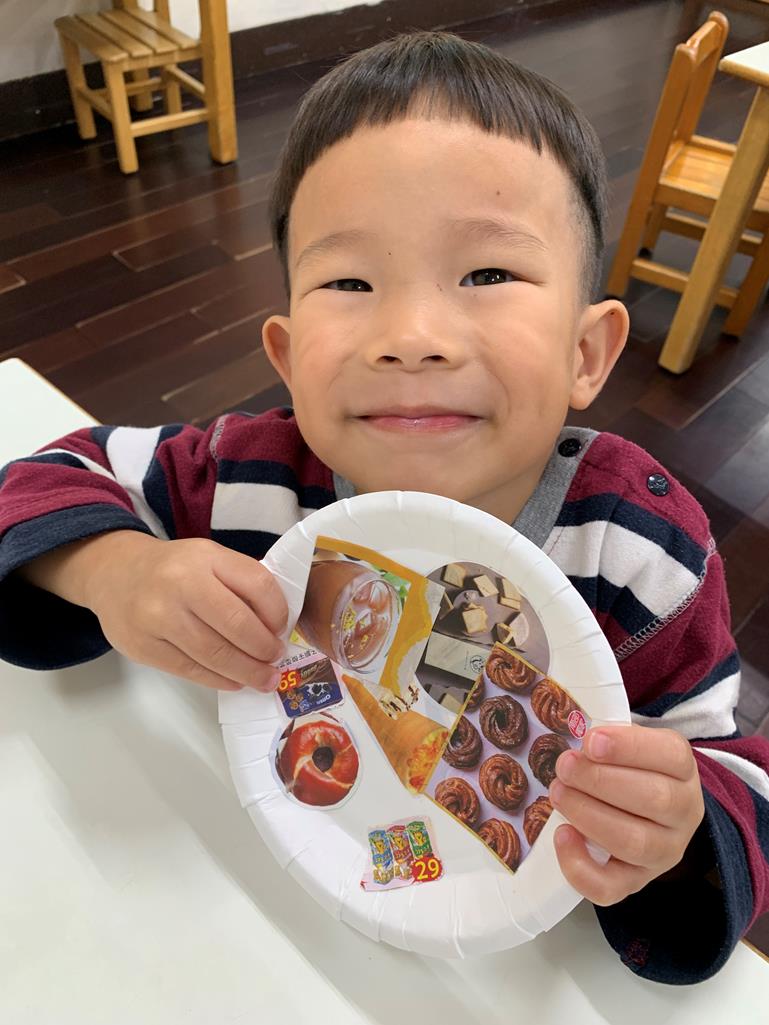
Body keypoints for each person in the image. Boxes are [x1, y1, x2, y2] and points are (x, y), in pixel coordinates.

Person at [0, 31, 767, 985]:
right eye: (350, 282)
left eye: (486, 275)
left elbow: (735, 773)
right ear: (287, 358)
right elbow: (46, 477)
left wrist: (677, 824)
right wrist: (117, 570)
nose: (410, 335)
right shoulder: (247, 473)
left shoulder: (641, 553)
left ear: (586, 354)